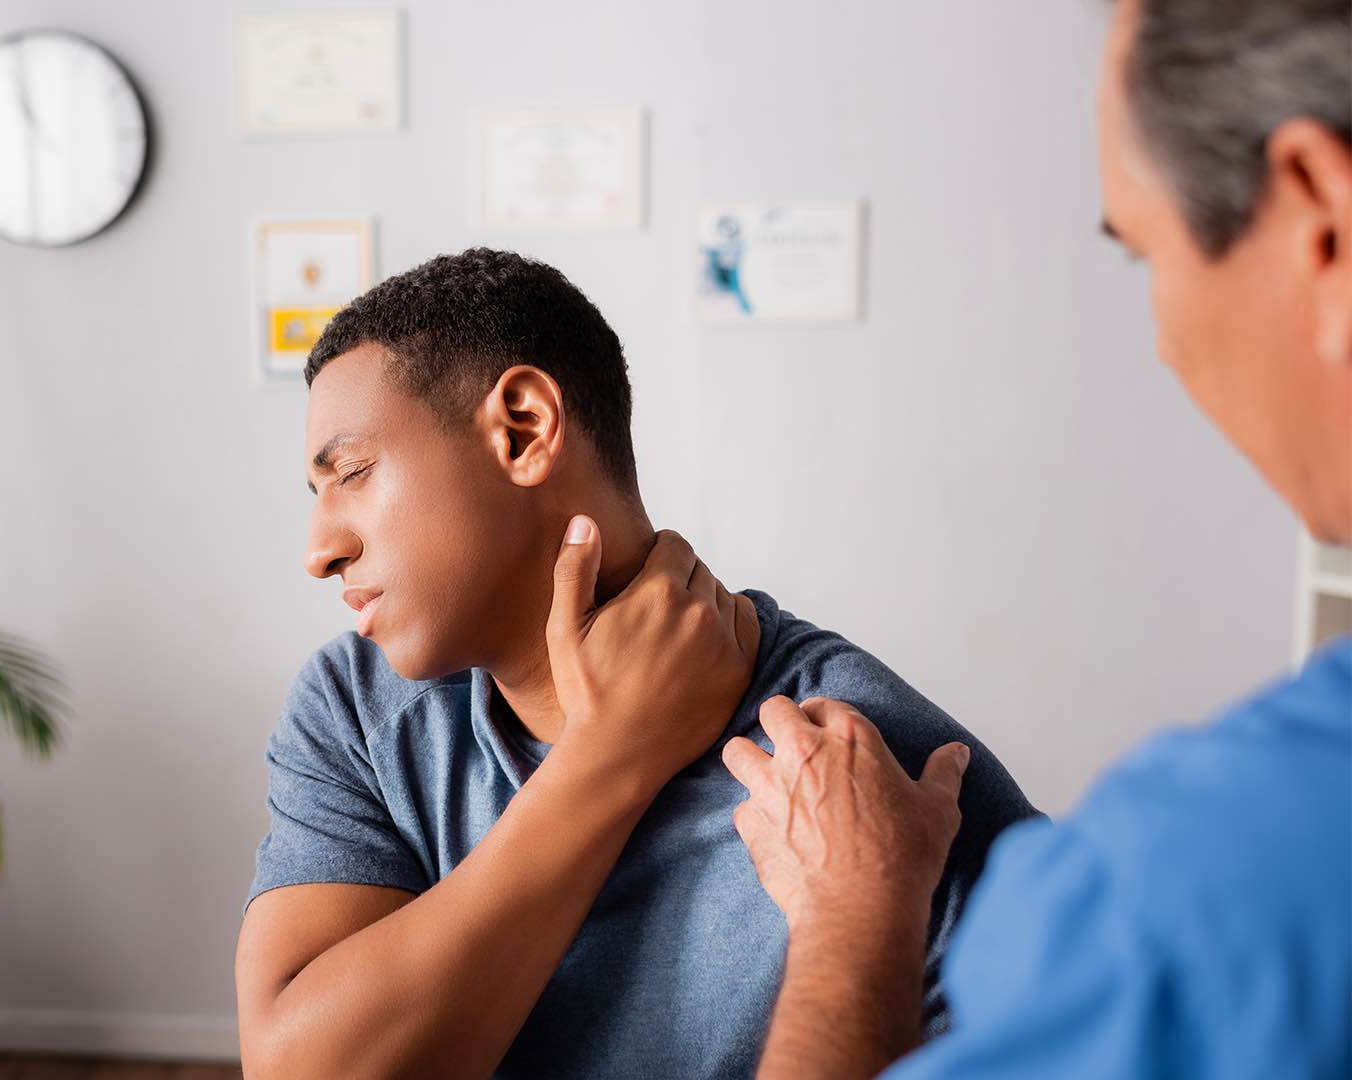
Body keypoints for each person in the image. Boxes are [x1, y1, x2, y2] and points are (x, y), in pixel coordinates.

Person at [723, 1, 1352, 1076]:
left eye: (1142, 252)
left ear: (1321, 217)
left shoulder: (1189, 901)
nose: (1161, 338)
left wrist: (853, 918)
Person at [233, 248, 1038, 1078]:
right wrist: (608, 757)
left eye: (353, 473)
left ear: (524, 429)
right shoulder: (355, 709)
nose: (319, 551)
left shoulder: (874, 782)